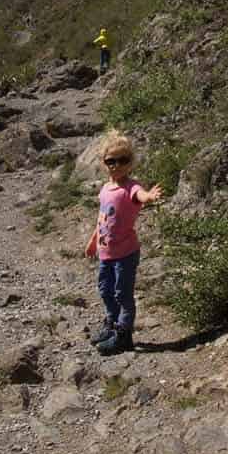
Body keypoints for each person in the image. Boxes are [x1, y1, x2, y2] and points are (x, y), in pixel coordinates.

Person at [85, 132, 162, 355]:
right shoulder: (105, 189)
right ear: (104, 163)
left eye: (123, 160)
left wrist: (150, 196)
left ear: (131, 162)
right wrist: (93, 242)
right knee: (105, 290)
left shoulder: (130, 187)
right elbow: (102, 220)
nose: (117, 165)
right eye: (111, 161)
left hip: (126, 253)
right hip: (106, 253)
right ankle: (111, 324)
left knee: (122, 293)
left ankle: (123, 334)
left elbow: (141, 195)